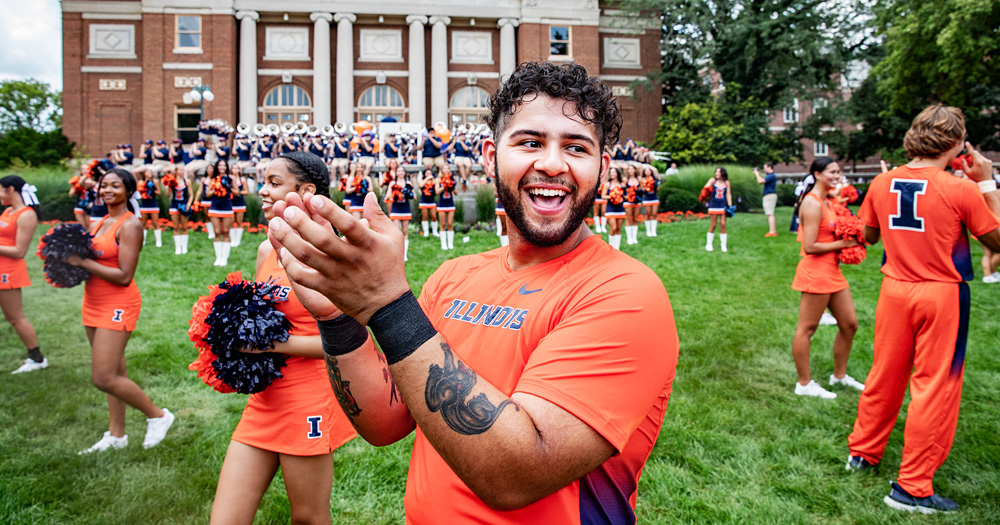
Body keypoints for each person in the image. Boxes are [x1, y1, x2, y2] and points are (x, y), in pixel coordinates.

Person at [266, 62, 679, 523]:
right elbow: (386, 421)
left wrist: (388, 307)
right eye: (530, 142)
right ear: (489, 156)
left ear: (601, 165)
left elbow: (518, 475)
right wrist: (336, 317)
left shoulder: (625, 294)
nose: (552, 163)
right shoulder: (454, 275)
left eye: (577, 147)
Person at [846, 106, 1000, 513]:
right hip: (941, 292)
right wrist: (987, 183)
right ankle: (912, 488)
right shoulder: (960, 188)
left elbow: (869, 235)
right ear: (956, 143)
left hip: (894, 289)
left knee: (884, 373)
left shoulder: (881, 181)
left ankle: (862, 452)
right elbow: (998, 241)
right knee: (934, 386)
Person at [210, 152, 357, 524]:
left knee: (307, 518)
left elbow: (348, 342)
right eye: (264, 181)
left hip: (309, 397)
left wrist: (266, 345)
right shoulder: (266, 248)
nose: (262, 190)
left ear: (305, 190)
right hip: (266, 396)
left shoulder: (331, 254)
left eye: (274, 183)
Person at [65, 168, 175, 454]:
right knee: (116, 371)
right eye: (104, 185)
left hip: (118, 303)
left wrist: (82, 263)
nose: (108, 189)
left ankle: (159, 416)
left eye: (115, 185)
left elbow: (125, 275)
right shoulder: (100, 221)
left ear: (129, 191)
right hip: (93, 301)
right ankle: (116, 436)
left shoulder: (129, 225)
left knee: (103, 377)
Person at [789, 157, 863, 399]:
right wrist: (844, 243)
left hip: (833, 270)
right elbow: (809, 246)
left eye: (838, 171)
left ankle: (839, 376)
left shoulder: (828, 201)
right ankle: (804, 384)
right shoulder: (811, 204)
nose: (836, 175)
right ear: (818, 174)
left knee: (849, 324)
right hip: (815, 271)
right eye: (832, 171)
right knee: (807, 328)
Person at [1, 175, 46, 374]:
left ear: (11, 189)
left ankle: (37, 358)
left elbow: (19, 251)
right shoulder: (8, 211)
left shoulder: (27, 215)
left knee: (14, 317)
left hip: (8, 272)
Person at [206, 159, 236, 266]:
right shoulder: (213, 180)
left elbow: (237, 192)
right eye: (220, 165)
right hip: (215, 208)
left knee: (226, 232)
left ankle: (225, 258)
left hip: (227, 208)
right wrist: (216, 188)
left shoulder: (231, 179)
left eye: (224, 165)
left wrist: (228, 187)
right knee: (217, 232)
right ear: (217, 167)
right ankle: (218, 257)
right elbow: (208, 194)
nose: (222, 167)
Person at [385, 164, 414, 261]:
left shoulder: (408, 182)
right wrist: (393, 194)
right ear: (396, 173)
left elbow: (414, 197)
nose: (400, 173)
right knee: (397, 232)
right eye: (399, 171)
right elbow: (388, 196)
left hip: (405, 209)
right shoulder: (393, 183)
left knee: (405, 231)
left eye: (402, 171)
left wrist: (408, 192)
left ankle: (404, 254)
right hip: (396, 209)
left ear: (404, 173)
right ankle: (397, 253)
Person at [165, 165, 192, 255]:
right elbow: (167, 195)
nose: (182, 172)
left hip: (184, 204)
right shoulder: (172, 181)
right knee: (176, 227)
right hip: (174, 204)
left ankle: (184, 247)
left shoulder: (187, 181)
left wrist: (188, 204)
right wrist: (169, 187)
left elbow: (191, 194)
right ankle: (177, 248)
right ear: (176, 171)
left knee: (184, 226)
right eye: (180, 170)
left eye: (183, 170)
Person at [703, 167, 732, 252]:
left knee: (723, 224)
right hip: (714, 205)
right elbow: (705, 188)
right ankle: (709, 244)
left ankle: (723, 245)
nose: (716, 174)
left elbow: (728, 194)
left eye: (718, 172)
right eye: (716, 172)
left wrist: (730, 205)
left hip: (723, 205)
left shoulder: (727, 182)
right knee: (713, 225)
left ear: (723, 173)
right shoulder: (712, 180)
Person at [135, 166, 163, 248]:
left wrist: (153, 189)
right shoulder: (141, 182)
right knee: (143, 223)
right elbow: (138, 194)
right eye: (147, 172)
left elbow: (159, 193)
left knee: (155, 223)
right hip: (144, 205)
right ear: (144, 174)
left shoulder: (155, 181)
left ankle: (158, 241)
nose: (149, 174)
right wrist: (143, 189)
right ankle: (143, 241)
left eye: (150, 172)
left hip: (153, 204)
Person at [603, 166, 626, 249]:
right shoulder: (607, 184)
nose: (612, 174)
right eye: (611, 172)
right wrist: (612, 196)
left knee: (618, 229)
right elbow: (603, 196)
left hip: (620, 208)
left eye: (614, 172)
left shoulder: (622, 184)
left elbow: (625, 195)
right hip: (611, 208)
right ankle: (611, 247)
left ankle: (617, 248)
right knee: (613, 227)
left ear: (617, 174)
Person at [754, 163, 778, 237]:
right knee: (769, 214)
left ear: (769, 167)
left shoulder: (771, 176)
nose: (764, 169)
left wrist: (756, 174)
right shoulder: (770, 176)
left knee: (770, 214)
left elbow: (760, 181)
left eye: (765, 167)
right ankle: (773, 231)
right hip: (769, 196)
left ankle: (772, 232)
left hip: (770, 196)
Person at [436, 165, 457, 250]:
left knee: (450, 224)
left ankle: (450, 243)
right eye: (444, 168)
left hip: (450, 204)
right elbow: (437, 191)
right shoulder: (438, 179)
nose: (446, 170)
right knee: (443, 224)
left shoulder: (452, 178)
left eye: (447, 168)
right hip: (442, 204)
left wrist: (452, 186)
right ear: (441, 170)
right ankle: (443, 244)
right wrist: (444, 185)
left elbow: (456, 193)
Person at [230, 165, 249, 248]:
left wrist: (238, 192)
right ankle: (232, 240)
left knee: (239, 222)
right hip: (230, 203)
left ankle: (238, 240)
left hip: (240, 203)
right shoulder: (229, 179)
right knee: (231, 222)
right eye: (233, 168)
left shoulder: (242, 179)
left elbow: (246, 191)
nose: (235, 170)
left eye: (237, 168)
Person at [417, 168, 438, 238]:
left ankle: (435, 231)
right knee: (425, 217)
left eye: (430, 173)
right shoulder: (422, 181)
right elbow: (421, 185)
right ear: (424, 174)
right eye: (427, 173)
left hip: (432, 201)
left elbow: (437, 188)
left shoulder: (434, 181)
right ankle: (426, 231)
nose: (429, 175)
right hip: (424, 201)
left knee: (434, 216)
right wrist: (427, 179)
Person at [641, 165, 659, 237]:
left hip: (654, 197)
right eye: (646, 171)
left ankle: (653, 231)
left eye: (649, 171)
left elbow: (657, 189)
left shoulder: (654, 179)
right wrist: (647, 187)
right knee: (648, 214)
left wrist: (654, 185)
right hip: (647, 198)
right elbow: (642, 189)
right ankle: (648, 231)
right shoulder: (643, 179)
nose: (647, 172)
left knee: (654, 214)